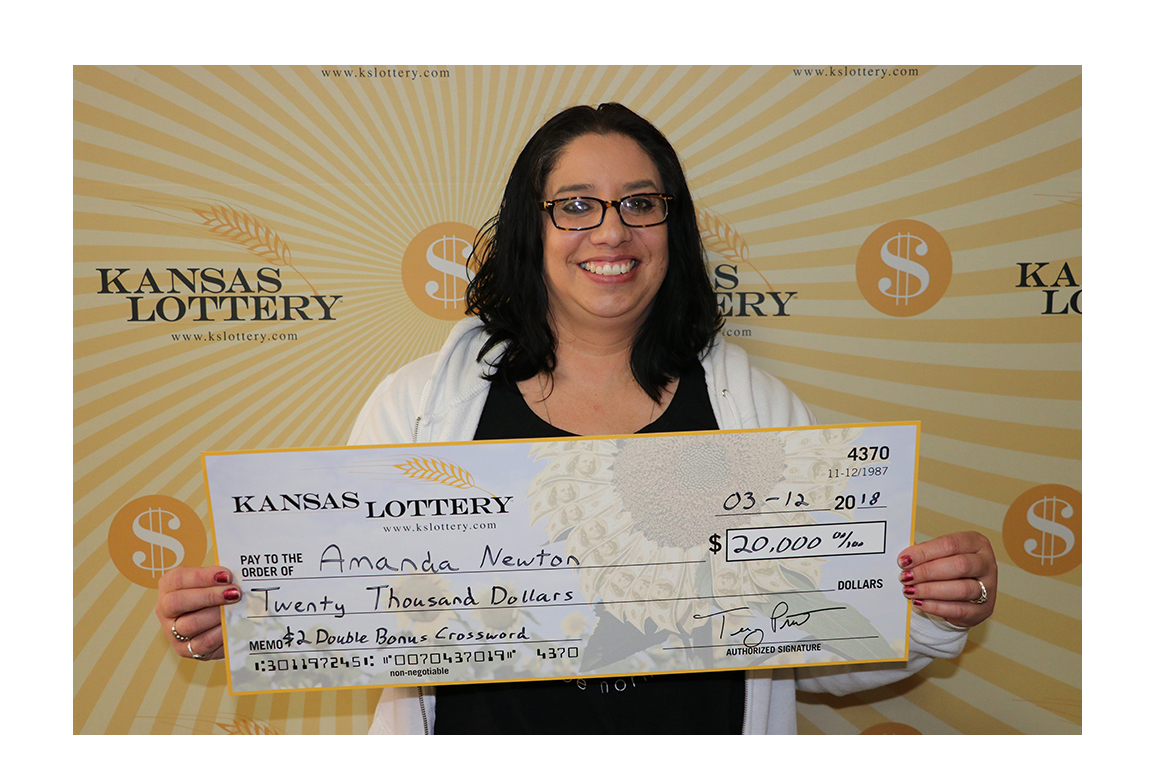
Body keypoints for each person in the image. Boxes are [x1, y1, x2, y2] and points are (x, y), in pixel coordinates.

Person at [155, 102, 997, 734]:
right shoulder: (418, 406)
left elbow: (810, 642)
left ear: (671, 225)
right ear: (535, 226)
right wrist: (248, 615)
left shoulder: (758, 412)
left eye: (640, 202)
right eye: (576, 204)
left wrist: (931, 611)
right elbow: (352, 604)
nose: (612, 230)